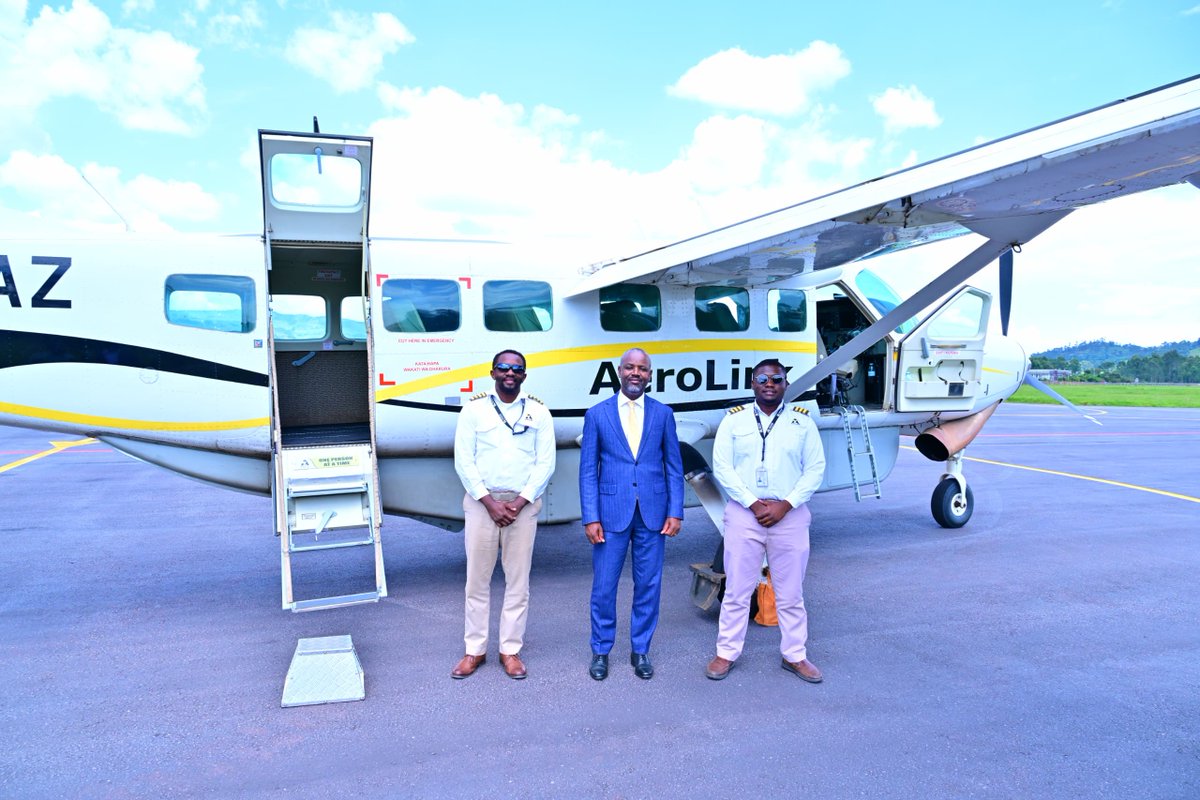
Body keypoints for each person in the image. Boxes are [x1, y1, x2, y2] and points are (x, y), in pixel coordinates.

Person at [705, 358, 826, 683]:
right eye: (763, 378)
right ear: (753, 384)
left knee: (791, 594)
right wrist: (752, 503)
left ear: (786, 384)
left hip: (790, 516)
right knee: (736, 592)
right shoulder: (734, 421)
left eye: (776, 379)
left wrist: (786, 505)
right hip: (745, 515)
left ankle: (795, 655)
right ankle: (726, 653)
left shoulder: (803, 423)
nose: (769, 383)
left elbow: (815, 469)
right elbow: (722, 467)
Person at [579, 347, 684, 680]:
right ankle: (600, 650)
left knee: (648, 584)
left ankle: (640, 650)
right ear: (619, 371)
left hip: (653, 513)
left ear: (650, 375)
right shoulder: (597, 414)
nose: (635, 373)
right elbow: (587, 471)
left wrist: (676, 511)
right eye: (630, 367)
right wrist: (591, 516)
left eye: (642, 369)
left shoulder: (663, 414)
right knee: (604, 586)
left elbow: (673, 466)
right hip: (610, 514)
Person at [451, 350, 556, 680]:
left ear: (524, 375)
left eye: (517, 369)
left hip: (521, 508)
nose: (510, 373)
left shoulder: (538, 412)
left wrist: (521, 501)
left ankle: (510, 651)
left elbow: (545, 463)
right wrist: (489, 502)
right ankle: (475, 651)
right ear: (492, 372)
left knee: (518, 583)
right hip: (483, 506)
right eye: (503, 368)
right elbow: (464, 460)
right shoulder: (473, 410)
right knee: (476, 583)